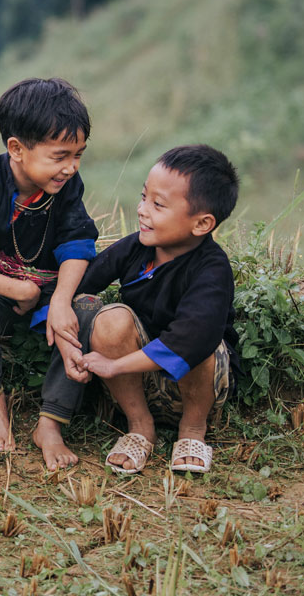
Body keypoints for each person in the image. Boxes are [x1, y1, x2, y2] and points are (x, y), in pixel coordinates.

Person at [0, 78, 98, 470]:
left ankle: (52, 421)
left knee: (91, 311)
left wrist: (59, 301)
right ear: (16, 149)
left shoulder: (67, 186)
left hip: (46, 291)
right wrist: (18, 289)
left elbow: (79, 243)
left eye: (78, 155)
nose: (71, 168)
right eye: (60, 156)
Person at [77, 145, 240, 474]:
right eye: (143, 197)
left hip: (196, 388)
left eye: (158, 204)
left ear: (202, 223)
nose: (141, 210)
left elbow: (189, 341)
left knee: (201, 344)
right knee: (109, 319)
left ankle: (193, 430)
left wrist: (114, 365)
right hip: (136, 383)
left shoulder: (212, 268)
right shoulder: (137, 246)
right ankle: (139, 427)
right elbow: (82, 282)